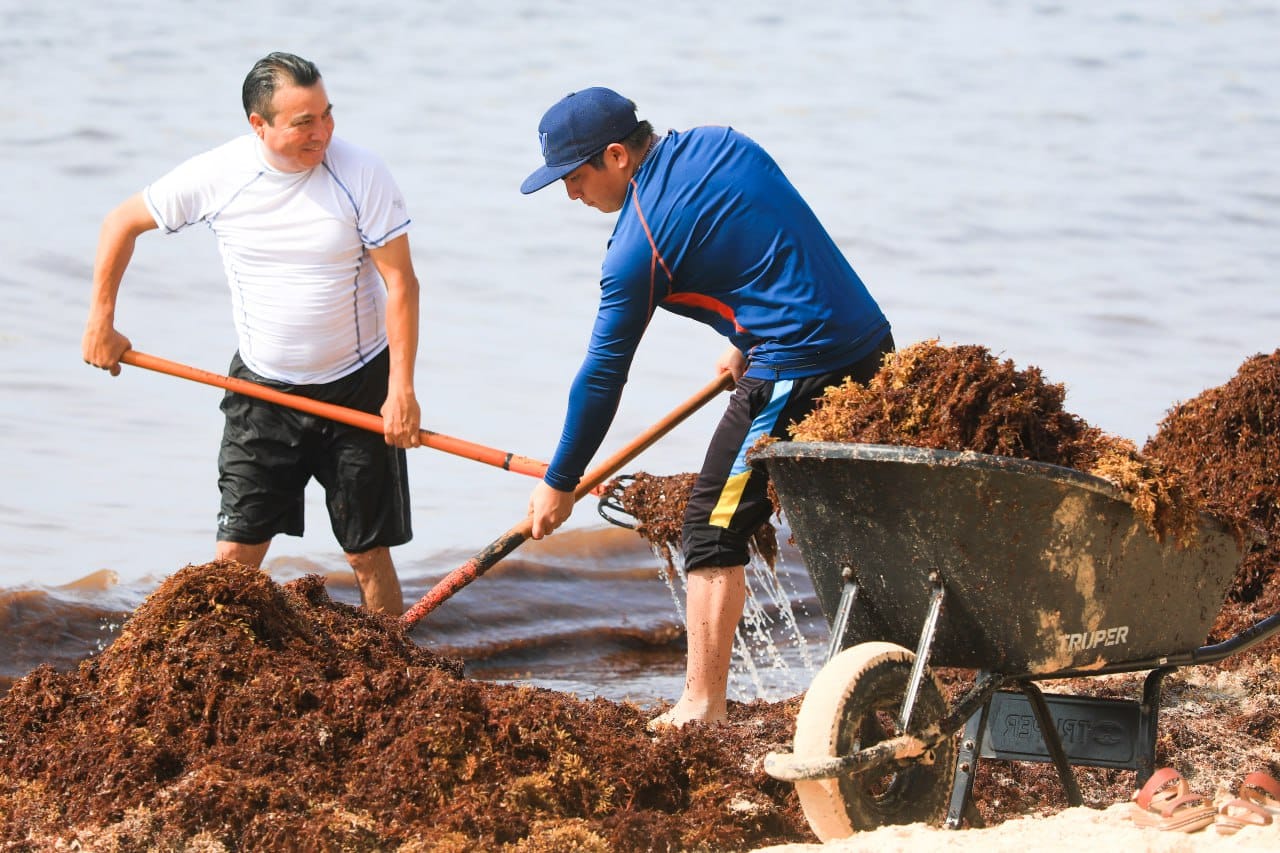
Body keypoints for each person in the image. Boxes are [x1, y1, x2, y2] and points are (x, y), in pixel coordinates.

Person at [520, 87, 894, 728]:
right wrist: (747, 338)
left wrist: (561, 480)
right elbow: (771, 244)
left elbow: (603, 377)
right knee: (851, 523)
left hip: (802, 365)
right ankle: (885, 664)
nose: (571, 195)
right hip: (869, 344)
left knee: (711, 527)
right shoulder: (723, 142)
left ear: (615, 156)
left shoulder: (635, 248)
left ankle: (702, 704)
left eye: (575, 177)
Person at [82, 52, 421, 615]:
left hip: (358, 387)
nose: (323, 133)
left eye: (327, 115)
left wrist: (401, 391)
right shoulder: (219, 175)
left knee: (367, 553)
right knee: (236, 554)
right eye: (303, 122)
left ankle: (395, 665)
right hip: (263, 393)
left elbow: (401, 284)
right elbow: (120, 223)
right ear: (258, 125)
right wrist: (101, 322)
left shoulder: (361, 172)